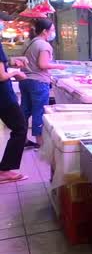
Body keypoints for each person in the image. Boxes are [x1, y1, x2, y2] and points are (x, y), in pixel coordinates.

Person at [20, 19, 66, 148]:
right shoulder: (44, 45)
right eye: (52, 30)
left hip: (25, 80)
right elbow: (42, 64)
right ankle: (40, 143)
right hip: (38, 82)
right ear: (45, 31)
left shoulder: (29, 43)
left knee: (25, 111)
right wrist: (59, 66)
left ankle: (21, 140)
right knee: (39, 112)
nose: (53, 33)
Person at [0, 11, 29, 182]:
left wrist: (11, 62)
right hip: (3, 95)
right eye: (3, 21)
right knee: (20, 128)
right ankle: (5, 170)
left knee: (18, 127)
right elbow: (1, 75)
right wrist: (16, 72)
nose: (4, 24)